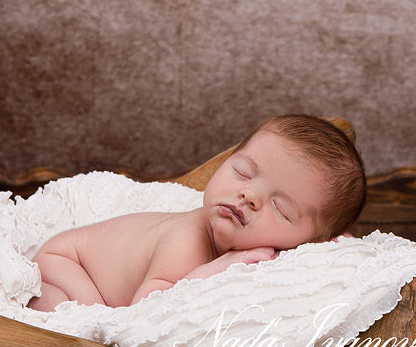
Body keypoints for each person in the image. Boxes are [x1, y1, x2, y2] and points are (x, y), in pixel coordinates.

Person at [26, 114, 366, 312]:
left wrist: (327, 247)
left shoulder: (289, 247)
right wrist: (215, 269)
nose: (248, 196)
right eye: (243, 173)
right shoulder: (187, 239)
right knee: (86, 319)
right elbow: (148, 305)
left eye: (280, 208)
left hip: (87, 266)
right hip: (68, 262)